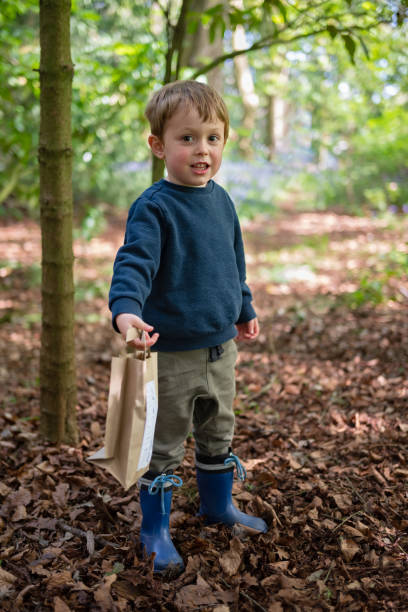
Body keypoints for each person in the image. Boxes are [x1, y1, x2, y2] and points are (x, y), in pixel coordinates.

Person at [109, 80, 267, 574]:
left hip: (221, 349)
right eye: (187, 138)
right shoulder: (155, 207)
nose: (202, 150)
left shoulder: (221, 201)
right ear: (158, 145)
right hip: (171, 352)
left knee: (219, 427)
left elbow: (231, 262)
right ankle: (154, 529)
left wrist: (243, 306)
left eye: (213, 138)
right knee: (165, 439)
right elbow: (133, 263)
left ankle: (217, 506)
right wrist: (126, 309)